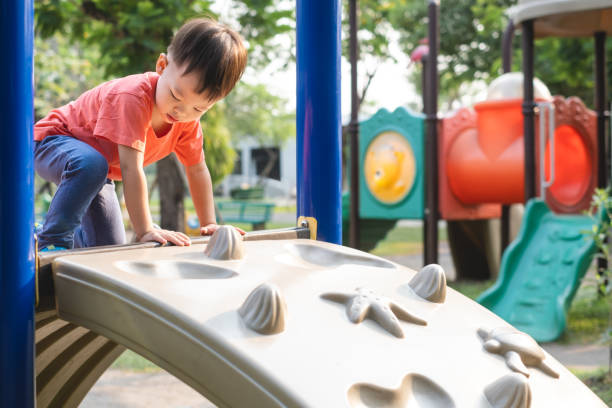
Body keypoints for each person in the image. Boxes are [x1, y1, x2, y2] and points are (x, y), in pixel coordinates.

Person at [34, 18, 247, 251]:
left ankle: (42, 235)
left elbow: (196, 170)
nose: (181, 111)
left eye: (199, 108)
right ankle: (52, 240)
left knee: (108, 247)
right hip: (54, 140)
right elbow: (132, 168)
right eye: (176, 95)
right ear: (162, 66)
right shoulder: (133, 98)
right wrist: (145, 230)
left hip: (96, 171)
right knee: (91, 164)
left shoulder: (187, 122)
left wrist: (209, 224)